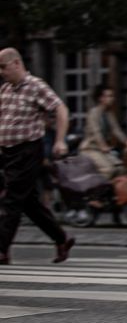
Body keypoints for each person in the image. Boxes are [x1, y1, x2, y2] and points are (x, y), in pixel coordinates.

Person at [0, 48, 75, 264]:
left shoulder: (36, 85)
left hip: (27, 150)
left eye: (3, 67)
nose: (1, 72)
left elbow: (60, 109)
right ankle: (62, 238)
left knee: (12, 199)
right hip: (8, 152)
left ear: (16, 63)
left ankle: (2, 249)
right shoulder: (5, 89)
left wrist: (60, 140)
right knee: (28, 202)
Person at [81, 84, 127, 179]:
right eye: (109, 96)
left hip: (103, 150)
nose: (112, 99)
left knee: (121, 169)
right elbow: (96, 131)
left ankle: (112, 192)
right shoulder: (93, 113)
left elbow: (117, 131)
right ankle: (94, 190)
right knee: (108, 169)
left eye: (112, 96)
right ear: (101, 98)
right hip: (90, 149)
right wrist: (103, 146)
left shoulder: (109, 114)